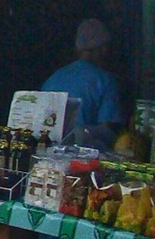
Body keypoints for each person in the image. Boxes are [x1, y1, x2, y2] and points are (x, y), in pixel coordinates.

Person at [43, 18, 122, 148]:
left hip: (49, 154)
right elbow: (109, 130)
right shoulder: (105, 80)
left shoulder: (53, 78)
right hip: (86, 158)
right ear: (101, 48)